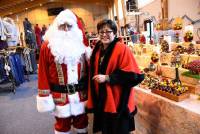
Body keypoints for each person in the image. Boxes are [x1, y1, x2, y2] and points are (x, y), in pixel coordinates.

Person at [36, 9, 91, 134]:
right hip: (59, 97)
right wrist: (45, 96)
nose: (66, 29)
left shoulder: (82, 44)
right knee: (62, 127)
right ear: (56, 27)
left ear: (75, 27)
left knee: (82, 124)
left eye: (69, 26)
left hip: (80, 95)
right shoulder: (47, 46)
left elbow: (89, 70)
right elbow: (43, 73)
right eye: (62, 26)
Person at [87, 19, 144, 134]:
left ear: (114, 33)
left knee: (119, 130)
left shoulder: (122, 49)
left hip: (118, 100)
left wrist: (108, 78)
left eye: (108, 31)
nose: (104, 35)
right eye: (101, 32)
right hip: (103, 99)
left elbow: (134, 76)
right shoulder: (97, 50)